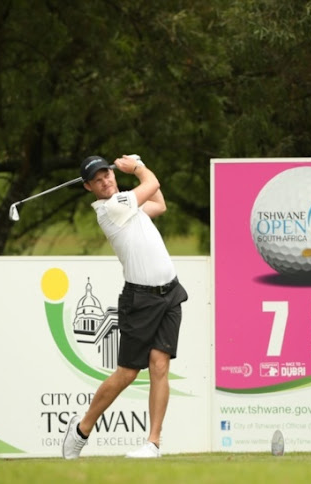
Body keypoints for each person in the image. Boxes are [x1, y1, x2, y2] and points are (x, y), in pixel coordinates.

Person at [62, 154, 188, 459]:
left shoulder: (129, 205)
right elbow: (153, 182)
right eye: (98, 179)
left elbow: (159, 202)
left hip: (169, 292)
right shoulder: (110, 209)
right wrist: (139, 166)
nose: (106, 181)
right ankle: (81, 429)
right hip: (140, 299)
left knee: (160, 365)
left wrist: (140, 166)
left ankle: (153, 444)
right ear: (88, 187)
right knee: (127, 373)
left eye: (108, 174)